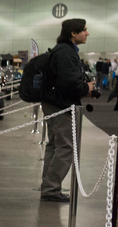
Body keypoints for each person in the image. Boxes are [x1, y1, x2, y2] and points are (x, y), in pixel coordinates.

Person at [39, 18, 95, 203]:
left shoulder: (62, 50)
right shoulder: (65, 53)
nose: (87, 33)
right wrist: (87, 88)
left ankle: (48, 185)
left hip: (53, 102)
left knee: (55, 145)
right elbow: (69, 83)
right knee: (65, 147)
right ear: (73, 32)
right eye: (84, 30)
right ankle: (51, 188)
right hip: (60, 105)